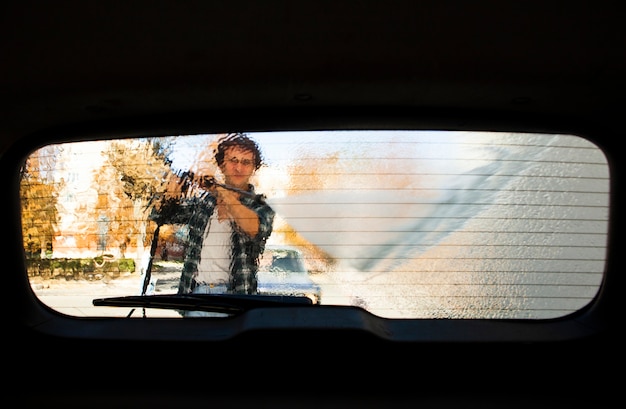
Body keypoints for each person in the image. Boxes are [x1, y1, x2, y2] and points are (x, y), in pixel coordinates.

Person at [149, 133, 275, 316]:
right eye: (233, 160)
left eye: (246, 162)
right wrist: (172, 190)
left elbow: (254, 228)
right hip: (195, 299)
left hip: (237, 301)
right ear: (221, 165)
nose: (239, 167)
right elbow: (158, 215)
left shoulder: (261, 206)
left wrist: (219, 190)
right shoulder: (203, 203)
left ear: (254, 168)